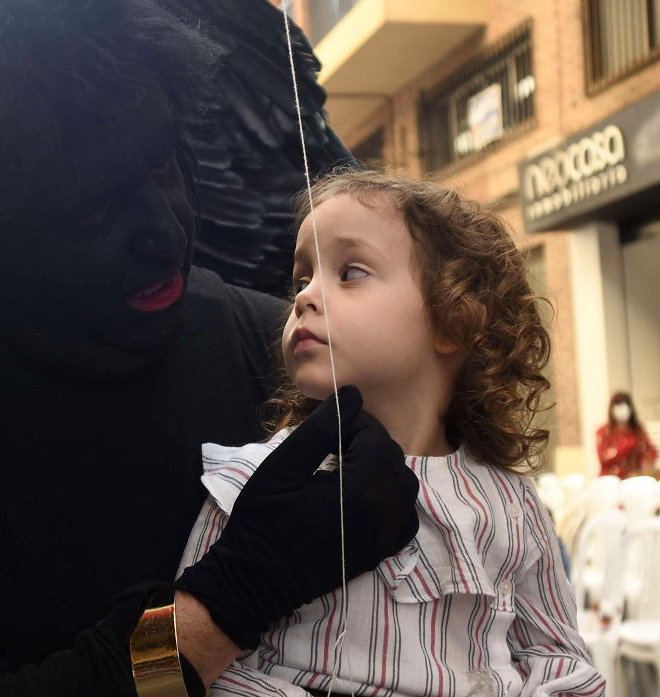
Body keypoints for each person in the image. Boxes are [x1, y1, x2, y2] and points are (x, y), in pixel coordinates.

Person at [0, 2, 420, 696]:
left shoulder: (270, 343)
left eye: (163, 163)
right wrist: (229, 601)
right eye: (90, 209)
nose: (166, 233)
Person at [177, 170, 604, 697]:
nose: (305, 296)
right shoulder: (250, 481)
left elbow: (559, 658)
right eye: (301, 278)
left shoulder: (512, 504)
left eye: (350, 272)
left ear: (455, 319)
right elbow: (199, 668)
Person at [597, 392, 657, 478]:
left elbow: (651, 451)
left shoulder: (638, 430)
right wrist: (628, 447)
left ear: (630, 408)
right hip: (611, 478)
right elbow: (604, 458)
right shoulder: (604, 432)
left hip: (634, 476)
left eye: (624, 405)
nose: (621, 409)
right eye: (618, 405)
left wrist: (646, 460)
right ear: (611, 409)